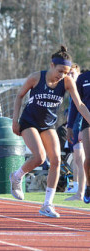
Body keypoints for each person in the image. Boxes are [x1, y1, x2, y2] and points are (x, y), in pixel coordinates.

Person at [10, 46, 90, 217]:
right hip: (29, 122)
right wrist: (15, 121)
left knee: (56, 160)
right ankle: (17, 176)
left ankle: (47, 204)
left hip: (48, 125)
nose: (62, 75)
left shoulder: (67, 82)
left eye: (66, 72)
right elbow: (19, 96)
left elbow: (80, 105)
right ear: (52, 65)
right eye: (60, 71)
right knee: (39, 157)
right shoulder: (36, 77)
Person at [68, 67, 90, 203]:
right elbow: (76, 104)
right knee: (88, 159)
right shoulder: (83, 78)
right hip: (87, 123)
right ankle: (88, 186)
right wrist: (70, 126)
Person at [65, 64, 84, 199]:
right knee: (77, 159)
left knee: (80, 159)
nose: (70, 76)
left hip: (83, 128)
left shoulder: (82, 88)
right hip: (75, 129)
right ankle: (77, 186)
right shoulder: (71, 90)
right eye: (68, 74)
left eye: (73, 73)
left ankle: (81, 189)